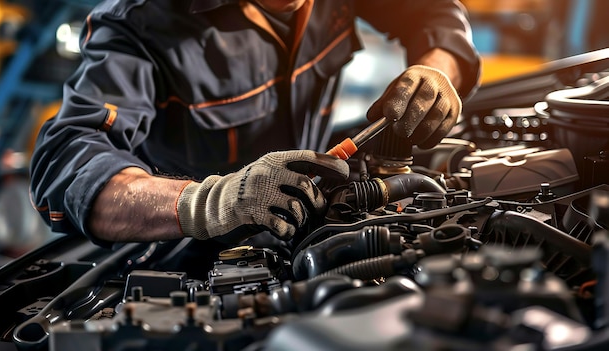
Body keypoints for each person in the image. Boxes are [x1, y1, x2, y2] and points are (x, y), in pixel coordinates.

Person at [29, 0, 481, 258]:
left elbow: (434, 14)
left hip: (309, 224)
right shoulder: (142, 23)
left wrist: (436, 70)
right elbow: (67, 164)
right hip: (192, 261)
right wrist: (210, 202)